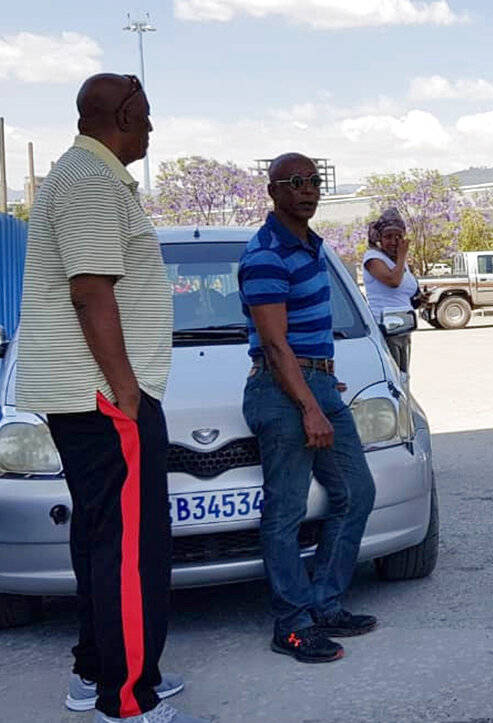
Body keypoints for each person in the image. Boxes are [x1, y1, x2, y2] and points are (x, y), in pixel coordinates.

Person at [16, 74, 205, 723]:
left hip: (88, 393)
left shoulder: (81, 177)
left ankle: (100, 672)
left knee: (102, 537)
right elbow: (91, 290)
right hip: (103, 395)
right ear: (122, 115)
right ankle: (127, 700)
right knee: (128, 546)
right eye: (146, 116)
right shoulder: (91, 182)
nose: (152, 128)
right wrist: (126, 390)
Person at [239, 153, 377, 664]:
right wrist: (307, 403)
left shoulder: (311, 247)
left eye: (314, 181)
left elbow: (304, 335)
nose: (308, 190)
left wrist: (320, 378)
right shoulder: (266, 253)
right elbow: (274, 346)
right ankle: (292, 624)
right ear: (273, 191)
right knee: (286, 510)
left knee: (356, 492)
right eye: (295, 182)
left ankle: (324, 602)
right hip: (282, 393)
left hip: (312, 383)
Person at [362, 207, 419, 373]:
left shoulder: (399, 263)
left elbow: (404, 292)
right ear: (379, 238)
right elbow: (393, 281)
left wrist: (419, 299)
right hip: (386, 328)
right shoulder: (373, 258)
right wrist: (402, 256)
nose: (394, 241)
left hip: (403, 329)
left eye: (398, 237)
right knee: (392, 376)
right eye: (388, 237)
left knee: (403, 377)